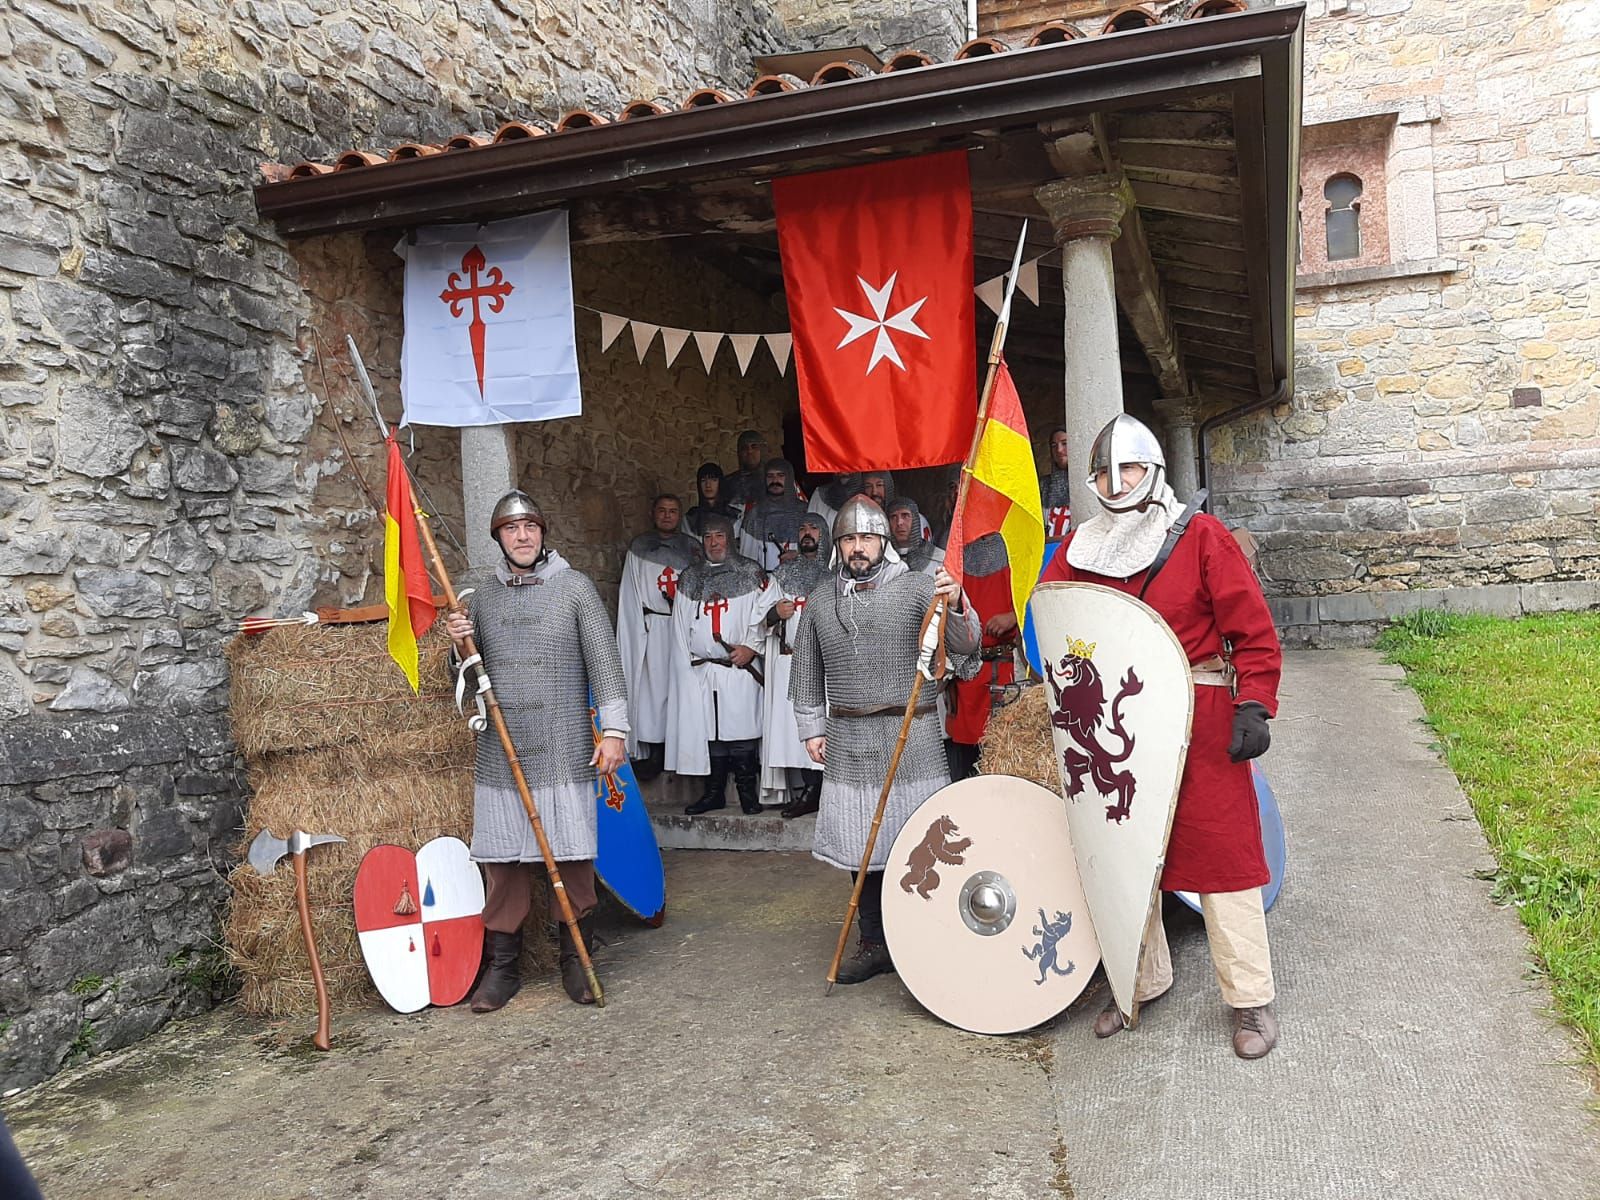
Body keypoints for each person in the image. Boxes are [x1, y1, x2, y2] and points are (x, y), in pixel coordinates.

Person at [1037, 413, 1283, 1060]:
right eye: (1104, 472)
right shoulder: (1077, 549)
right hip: (1119, 718)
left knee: (1224, 860)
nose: (1118, 481)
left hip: (1198, 715)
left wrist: (1253, 705)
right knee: (1124, 854)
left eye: (1130, 468)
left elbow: (1252, 631)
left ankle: (1250, 998)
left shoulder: (1202, 537)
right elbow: (1057, 624)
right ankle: (1137, 982)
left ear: (1155, 470)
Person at [445, 490, 628, 1010]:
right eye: (510, 528)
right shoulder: (480, 598)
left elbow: (606, 665)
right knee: (503, 864)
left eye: (529, 527)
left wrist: (613, 732)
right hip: (501, 750)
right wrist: (458, 643)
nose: (522, 536)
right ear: (499, 538)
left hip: (562, 743)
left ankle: (575, 958)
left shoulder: (574, 590)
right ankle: (503, 970)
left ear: (542, 532)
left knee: (571, 857)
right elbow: (459, 681)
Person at [789, 496, 981, 983]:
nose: (859, 548)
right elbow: (806, 670)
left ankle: (930, 936)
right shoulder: (821, 601)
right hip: (850, 737)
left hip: (911, 734)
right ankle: (874, 941)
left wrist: (956, 602)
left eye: (867, 538)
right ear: (838, 545)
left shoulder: (920, 588)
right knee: (862, 847)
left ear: (884, 542)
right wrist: (812, 729)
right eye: (849, 539)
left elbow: (965, 644)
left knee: (924, 844)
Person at [668, 513, 772, 816]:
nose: (713, 542)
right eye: (708, 537)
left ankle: (746, 793)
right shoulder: (690, 578)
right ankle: (712, 794)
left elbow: (765, 616)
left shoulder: (751, 573)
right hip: (702, 668)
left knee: (741, 729)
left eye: (719, 536)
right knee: (709, 731)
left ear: (731, 538)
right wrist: (684, 667)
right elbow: (678, 628)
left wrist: (752, 649)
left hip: (738, 668)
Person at [616, 494, 700, 781]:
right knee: (652, 692)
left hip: (681, 629)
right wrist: (635, 630)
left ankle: (680, 753)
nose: (667, 516)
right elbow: (630, 594)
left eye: (673, 511)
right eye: (662, 510)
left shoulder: (693, 550)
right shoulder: (639, 549)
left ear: (680, 516)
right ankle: (653, 751)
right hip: (653, 627)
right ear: (653, 513)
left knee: (680, 691)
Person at [759, 510, 830, 819]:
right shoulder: (781, 577)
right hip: (789, 659)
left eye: (814, 528)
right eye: (802, 527)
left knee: (820, 727)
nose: (807, 532)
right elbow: (759, 617)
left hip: (824, 663)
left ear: (824, 535)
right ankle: (807, 790)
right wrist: (776, 613)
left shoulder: (834, 577)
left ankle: (819, 791)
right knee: (793, 732)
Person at [943, 531, 1016, 781]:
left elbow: (1035, 598)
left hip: (1003, 672)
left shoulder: (1013, 553)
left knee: (1002, 748)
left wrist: (1013, 616)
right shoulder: (957, 560)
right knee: (964, 753)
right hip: (967, 673)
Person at [738, 458, 810, 571]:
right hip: (766, 583)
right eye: (770, 476)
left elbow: (817, 555)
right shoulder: (755, 515)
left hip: (800, 579)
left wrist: (799, 557)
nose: (775, 480)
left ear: (789, 478)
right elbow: (746, 560)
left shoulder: (806, 512)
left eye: (780, 475)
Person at [887, 496, 942, 576]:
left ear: (915, 519)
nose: (899, 522)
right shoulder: (882, 561)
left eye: (905, 515)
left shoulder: (939, 560)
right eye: (893, 517)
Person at [684, 461, 739, 538]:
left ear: (720, 483)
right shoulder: (691, 518)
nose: (708, 485)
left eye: (713, 480)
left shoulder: (734, 516)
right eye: (703, 480)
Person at [723, 429, 769, 514]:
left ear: (761, 449)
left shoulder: (774, 479)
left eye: (754, 446)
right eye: (744, 448)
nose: (749, 451)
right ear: (739, 452)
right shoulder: (728, 483)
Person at [1040, 427, 1073, 541]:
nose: (1059, 450)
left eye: (1065, 443)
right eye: (1054, 445)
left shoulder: (1092, 483)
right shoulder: (1043, 486)